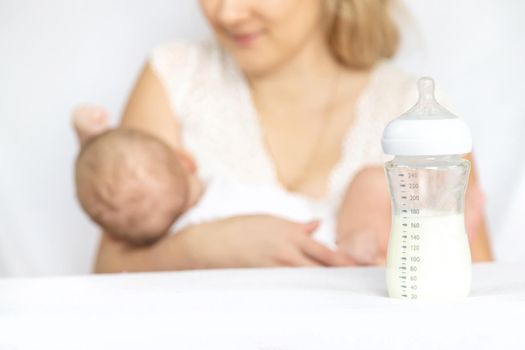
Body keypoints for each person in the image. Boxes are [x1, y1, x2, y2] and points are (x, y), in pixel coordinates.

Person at [89, 0, 491, 273]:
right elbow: (106, 269)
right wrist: (204, 248)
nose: (226, 13)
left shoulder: (417, 113)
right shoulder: (176, 75)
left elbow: (480, 294)